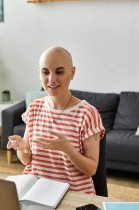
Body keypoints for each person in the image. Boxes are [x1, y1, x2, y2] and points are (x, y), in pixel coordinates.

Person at [7, 46, 105, 194]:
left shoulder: (87, 113)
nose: (51, 79)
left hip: (74, 195)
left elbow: (91, 169)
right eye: (45, 72)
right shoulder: (34, 108)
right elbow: (27, 161)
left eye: (59, 72)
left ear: (72, 73)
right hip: (35, 191)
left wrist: (68, 150)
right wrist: (22, 149)